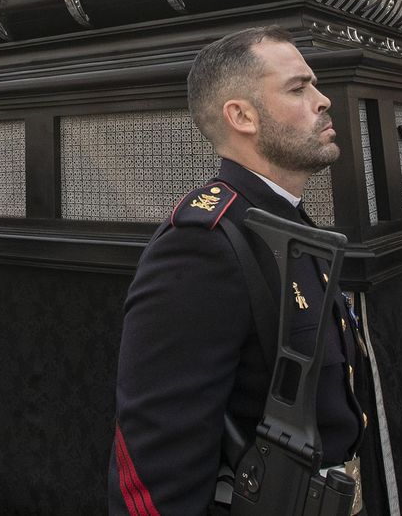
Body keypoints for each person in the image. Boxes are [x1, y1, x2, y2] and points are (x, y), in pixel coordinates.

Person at [110, 28, 370, 516]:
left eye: (314, 85)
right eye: (299, 88)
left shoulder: (286, 221)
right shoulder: (205, 242)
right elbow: (156, 462)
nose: (323, 100)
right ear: (242, 116)